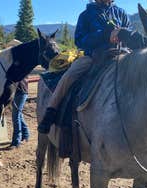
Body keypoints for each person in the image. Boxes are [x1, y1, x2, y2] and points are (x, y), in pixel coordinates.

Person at [38, 0, 132, 134]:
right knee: (69, 75)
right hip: (93, 57)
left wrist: (123, 36)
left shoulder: (121, 13)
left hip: (121, 55)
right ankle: (51, 111)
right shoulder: (86, 15)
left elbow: (129, 32)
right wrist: (104, 35)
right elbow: (80, 40)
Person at [10, 78, 30, 148]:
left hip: (20, 92)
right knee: (18, 115)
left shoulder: (18, 69)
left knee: (16, 116)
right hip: (17, 92)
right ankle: (25, 134)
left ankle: (16, 141)